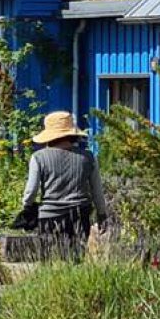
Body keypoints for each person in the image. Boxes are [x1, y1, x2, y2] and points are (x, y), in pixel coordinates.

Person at [20, 111, 108, 259]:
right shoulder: (87, 157)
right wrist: (102, 214)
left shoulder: (38, 158)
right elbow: (97, 190)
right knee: (75, 259)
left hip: (49, 216)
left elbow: (31, 191)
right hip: (80, 216)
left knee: (50, 261)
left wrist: (27, 208)